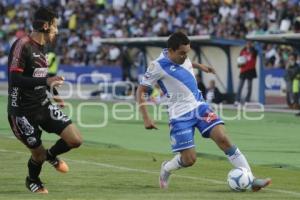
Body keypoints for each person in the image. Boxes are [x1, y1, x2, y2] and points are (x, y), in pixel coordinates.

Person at [136, 32, 271, 191]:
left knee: (223, 138)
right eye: (182, 53)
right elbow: (141, 91)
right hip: (179, 116)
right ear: (171, 50)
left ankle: (251, 179)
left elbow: (186, 62)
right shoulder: (156, 66)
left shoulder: (182, 56)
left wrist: (200, 66)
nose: (185, 56)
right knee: (189, 159)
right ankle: (166, 168)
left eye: (187, 52)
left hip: (200, 107)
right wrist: (146, 117)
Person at [7, 7, 83, 194]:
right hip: (22, 112)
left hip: (43, 105)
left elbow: (40, 75)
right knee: (37, 155)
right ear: (46, 26)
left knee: (75, 140)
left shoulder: (42, 48)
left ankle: (51, 155)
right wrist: (46, 80)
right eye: (55, 26)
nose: (57, 31)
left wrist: (54, 92)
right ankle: (32, 180)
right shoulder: (22, 45)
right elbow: (14, 79)